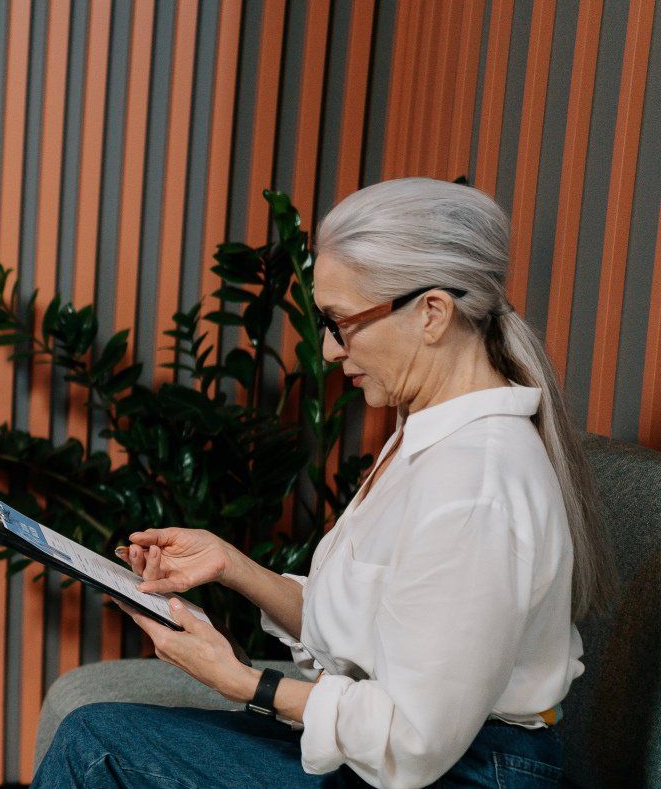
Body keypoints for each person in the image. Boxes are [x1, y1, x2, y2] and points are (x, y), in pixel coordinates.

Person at [33, 178, 608, 789]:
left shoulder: (475, 486)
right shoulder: (426, 438)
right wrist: (231, 566)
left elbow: (412, 741)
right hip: (446, 757)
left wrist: (240, 680)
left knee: (97, 747)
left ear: (432, 314)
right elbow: (376, 630)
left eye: (340, 323)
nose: (331, 352)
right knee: (98, 731)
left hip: (466, 773)